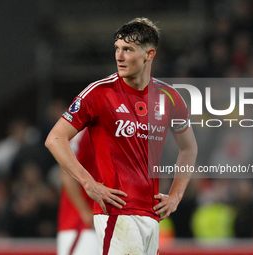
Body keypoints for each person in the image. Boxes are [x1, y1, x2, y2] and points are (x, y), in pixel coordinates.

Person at [45, 17, 197, 254]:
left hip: (151, 215)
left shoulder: (170, 97)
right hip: (117, 213)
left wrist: (176, 196)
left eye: (128, 50)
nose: (119, 56)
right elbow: (55, 138)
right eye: (117, 48)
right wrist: (89, 184)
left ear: (149, 55)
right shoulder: (99, 93)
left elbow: (189, 148)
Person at [57, 128, 99, 255]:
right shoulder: (81, 133)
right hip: (80, 225)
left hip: (105, 222)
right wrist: (84, 211)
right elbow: (66, 173)